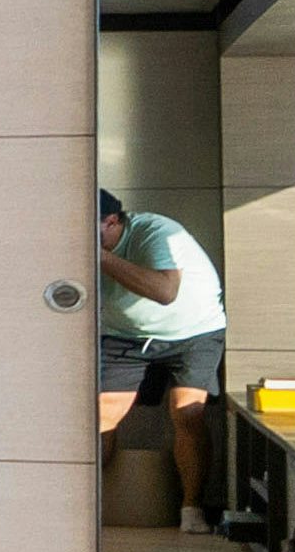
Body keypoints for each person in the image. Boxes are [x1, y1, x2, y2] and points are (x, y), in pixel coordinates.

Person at [94, 184, 228, 521]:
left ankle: (192, 510)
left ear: (112, 221)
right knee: (99, 418)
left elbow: (164, 291)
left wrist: (100, 258)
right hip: (124, 335)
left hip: (193, 332)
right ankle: (86, 509)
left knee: (188, 412)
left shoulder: (156, 231)